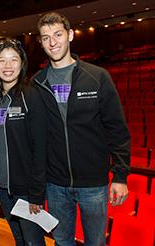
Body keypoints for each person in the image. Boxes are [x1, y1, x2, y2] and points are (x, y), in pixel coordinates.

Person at [32, 12, 131, 246]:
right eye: (45, 38)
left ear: (70, 35)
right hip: (55, 184)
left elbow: (117, 129)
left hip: (94, 184)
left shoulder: (97, 77)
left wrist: (120, 176)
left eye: (57, 35)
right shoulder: (36, 83)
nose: (52, 42)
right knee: (62, 241)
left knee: (95, 242)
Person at [0, 39, 47, 246]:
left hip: (26, 189)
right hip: (3, 187)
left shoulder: (31, 96)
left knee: (33, 241)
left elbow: (41, 147)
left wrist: (36, 194)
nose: (8, 66)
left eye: (13, 60)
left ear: (22, 63)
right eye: (2, 60)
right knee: (19, 239)